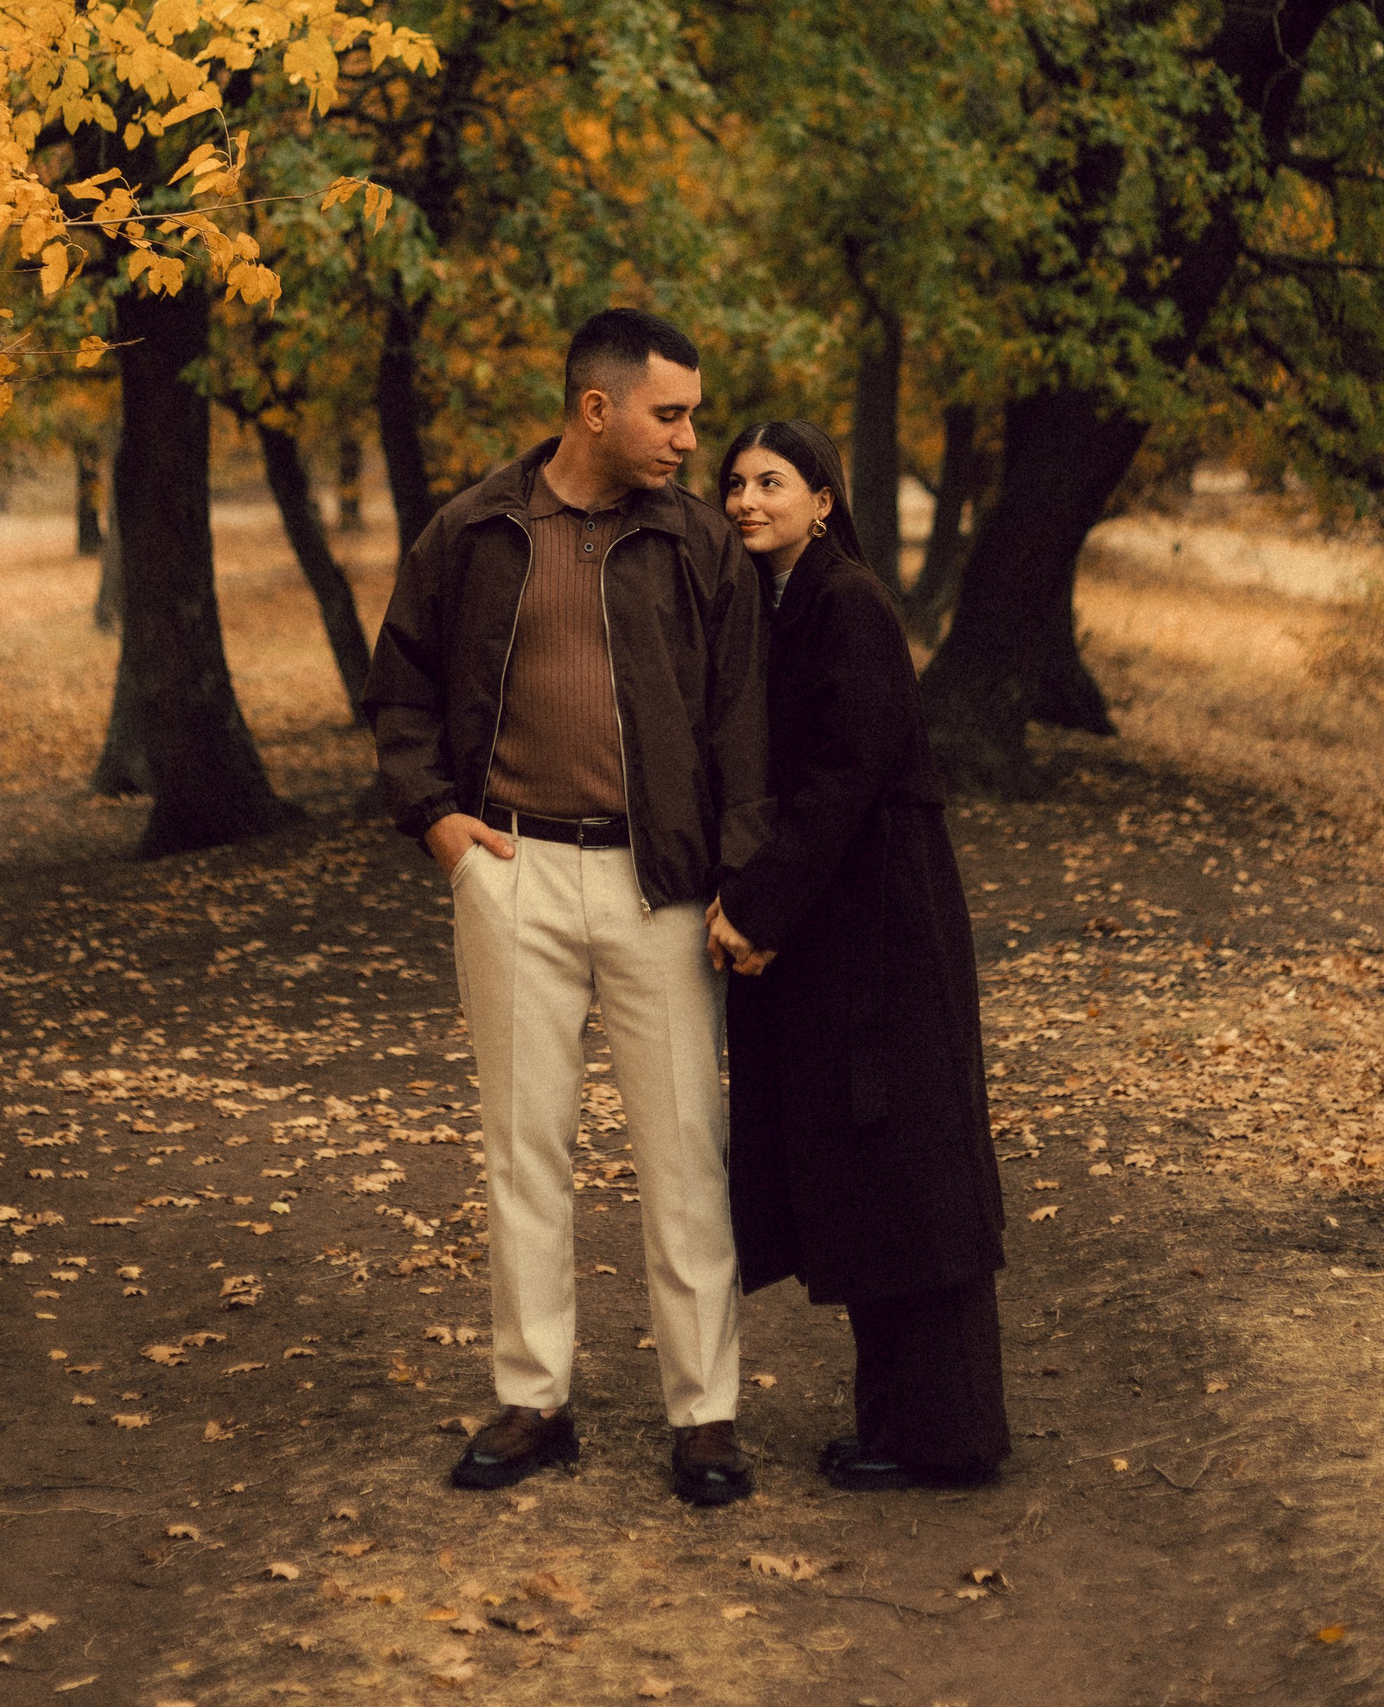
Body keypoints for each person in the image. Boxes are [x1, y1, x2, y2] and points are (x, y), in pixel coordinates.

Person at [367, 308, 771, 1507]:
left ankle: (704, 1415)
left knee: (685, 1153)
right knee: (524, 1149)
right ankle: (533, 1399)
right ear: (597, 409)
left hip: (661, 886)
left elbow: (743, 724)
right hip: (512, 870)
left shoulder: (700, 546)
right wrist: (439, 823)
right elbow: (401, 684)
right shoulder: (475, 530)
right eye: (670, 415)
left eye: (692, 416)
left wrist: (738, 881)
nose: (690, 440)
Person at [709, 419, 1010, 1491]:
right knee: (870, 1176)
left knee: (912, 1175)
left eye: (772, 482)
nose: (747, 500)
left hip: (886, 927)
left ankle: (948, 1437)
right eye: (735, 484)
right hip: (841, 925)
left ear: (824, 500)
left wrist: (757, 909)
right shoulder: (780, 601)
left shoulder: (848, 604)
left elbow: (844, 776)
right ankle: (896, 1422)